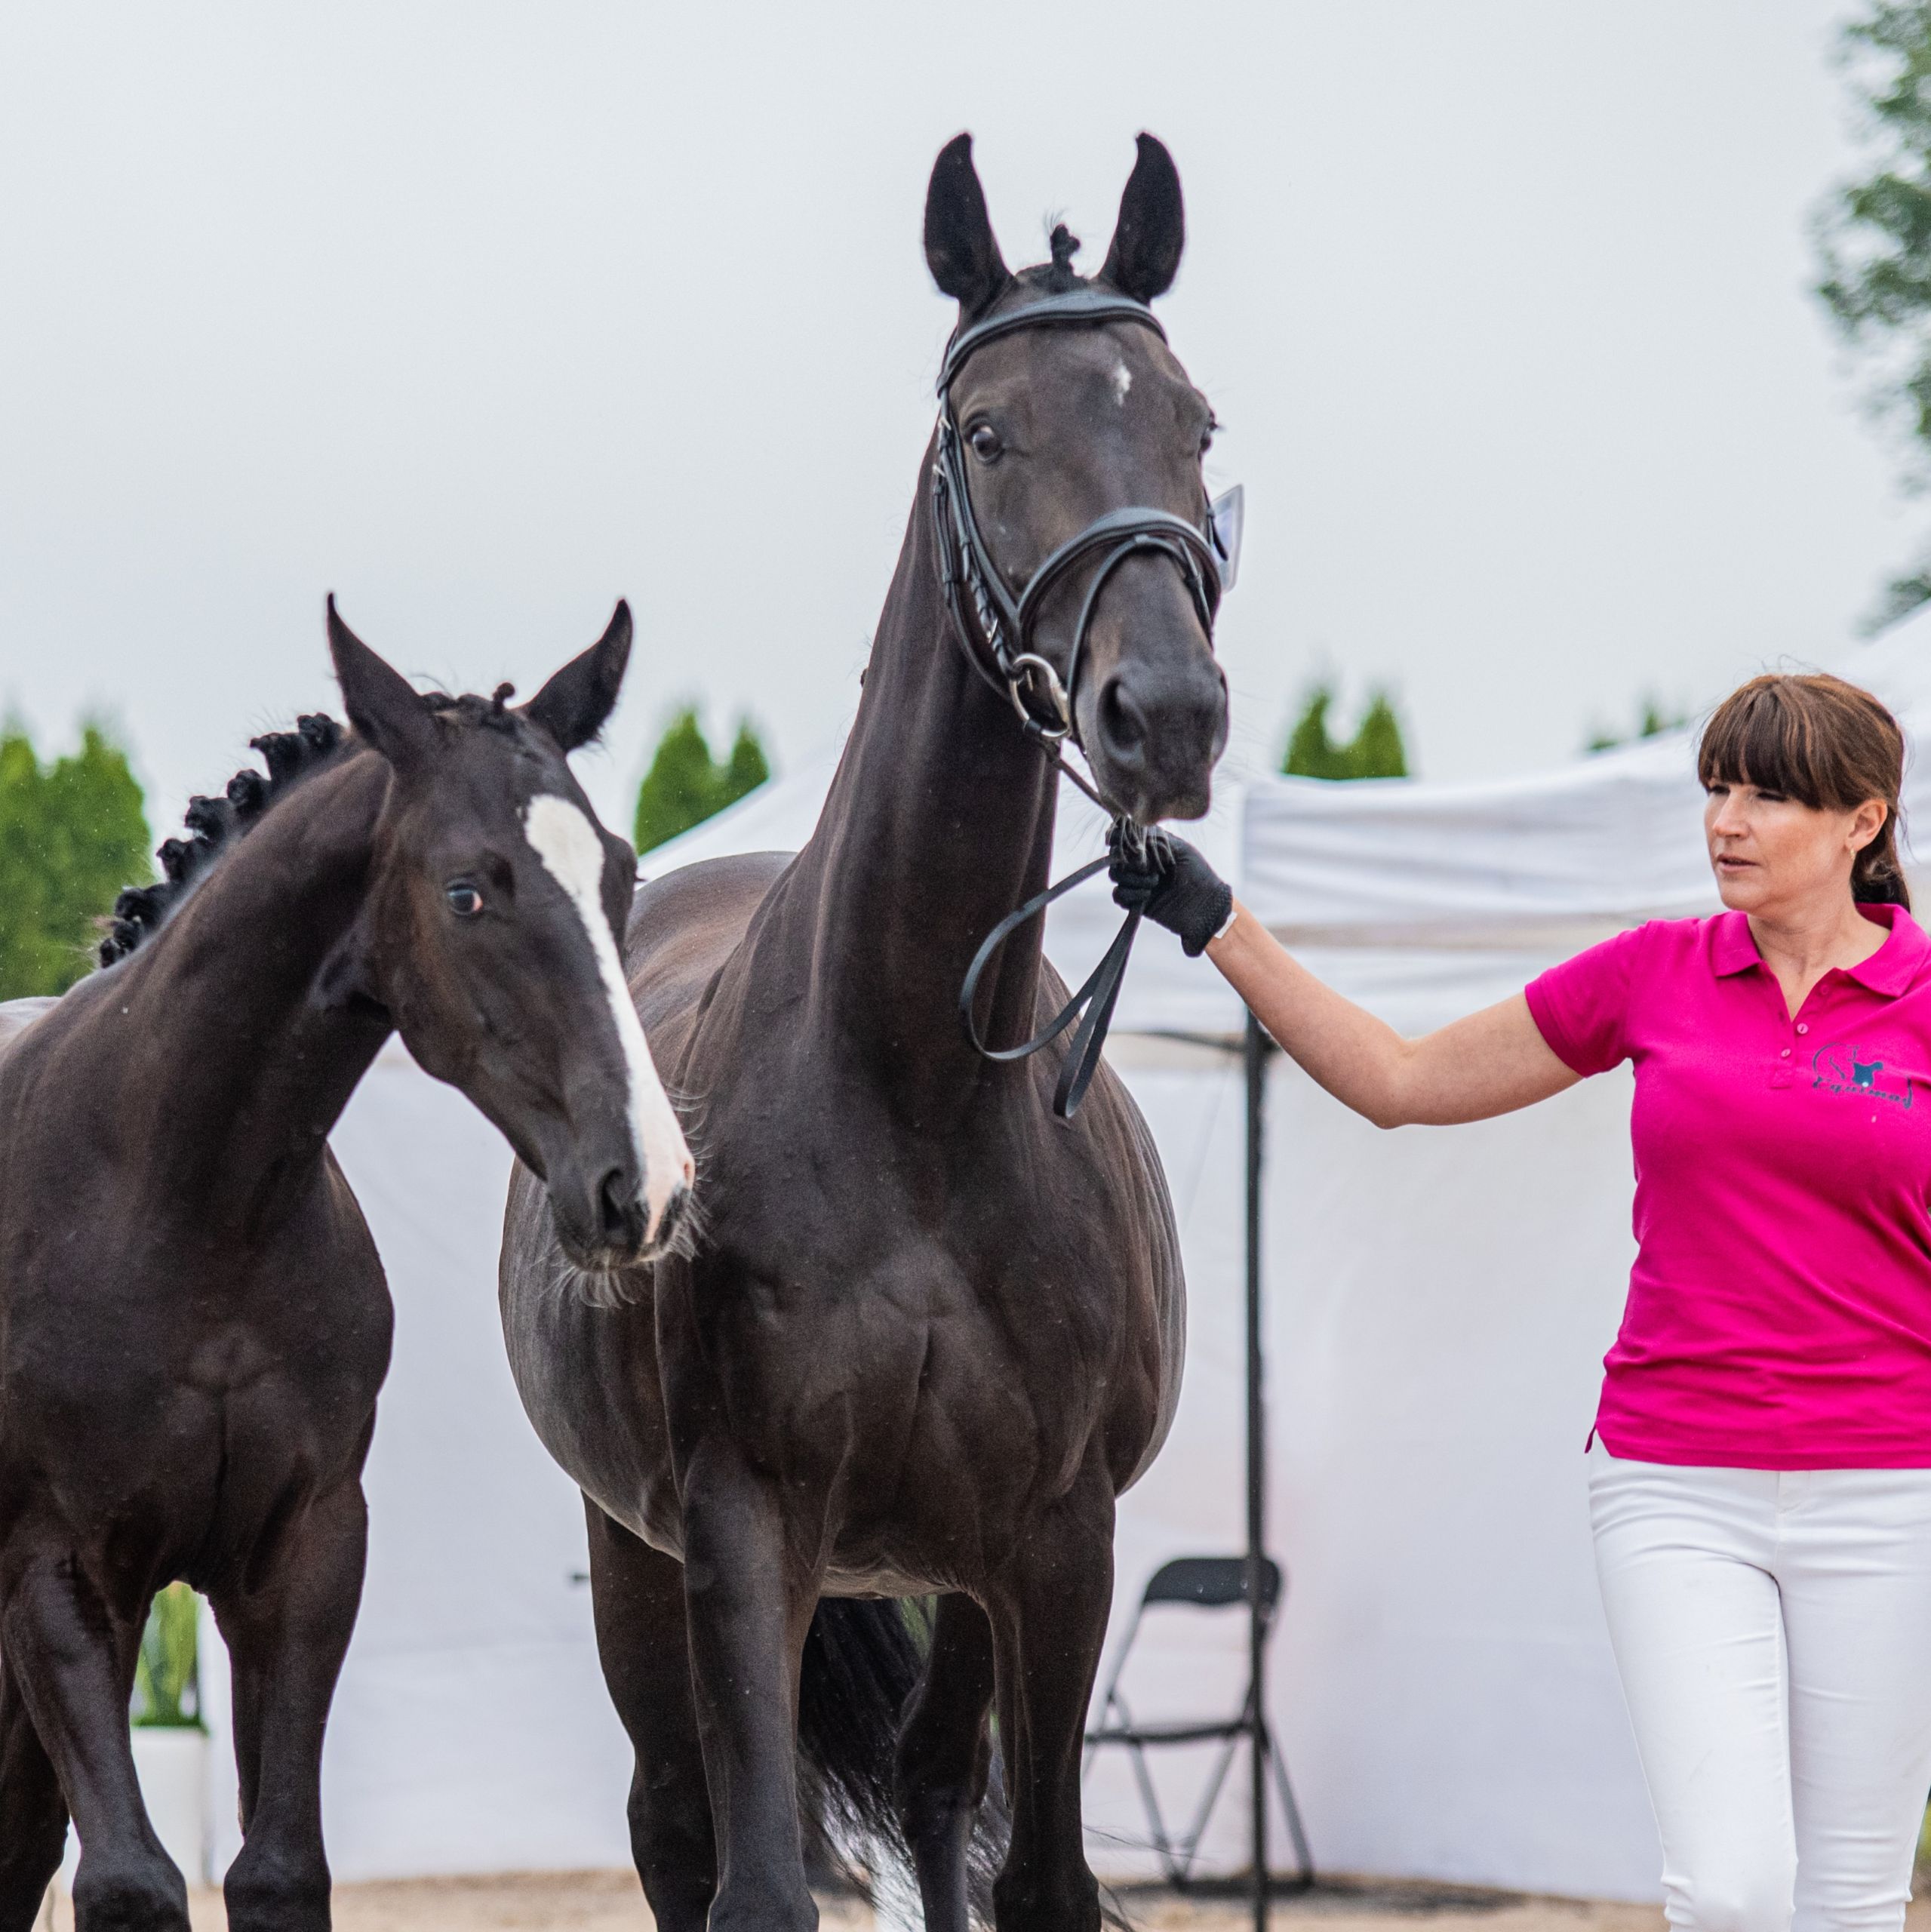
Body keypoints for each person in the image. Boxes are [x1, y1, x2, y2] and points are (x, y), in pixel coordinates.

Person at [1112, 672, 1931, 1932]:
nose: (1726, 820)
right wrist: (1219, 923)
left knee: (1857, 1900)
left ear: (1862, 822)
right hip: (1676, 1488)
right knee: (1735, 1888)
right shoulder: (1655, 974)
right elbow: (1398, 1079)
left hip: (1893, 1492)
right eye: (1717, 787)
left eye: (1767, 794)